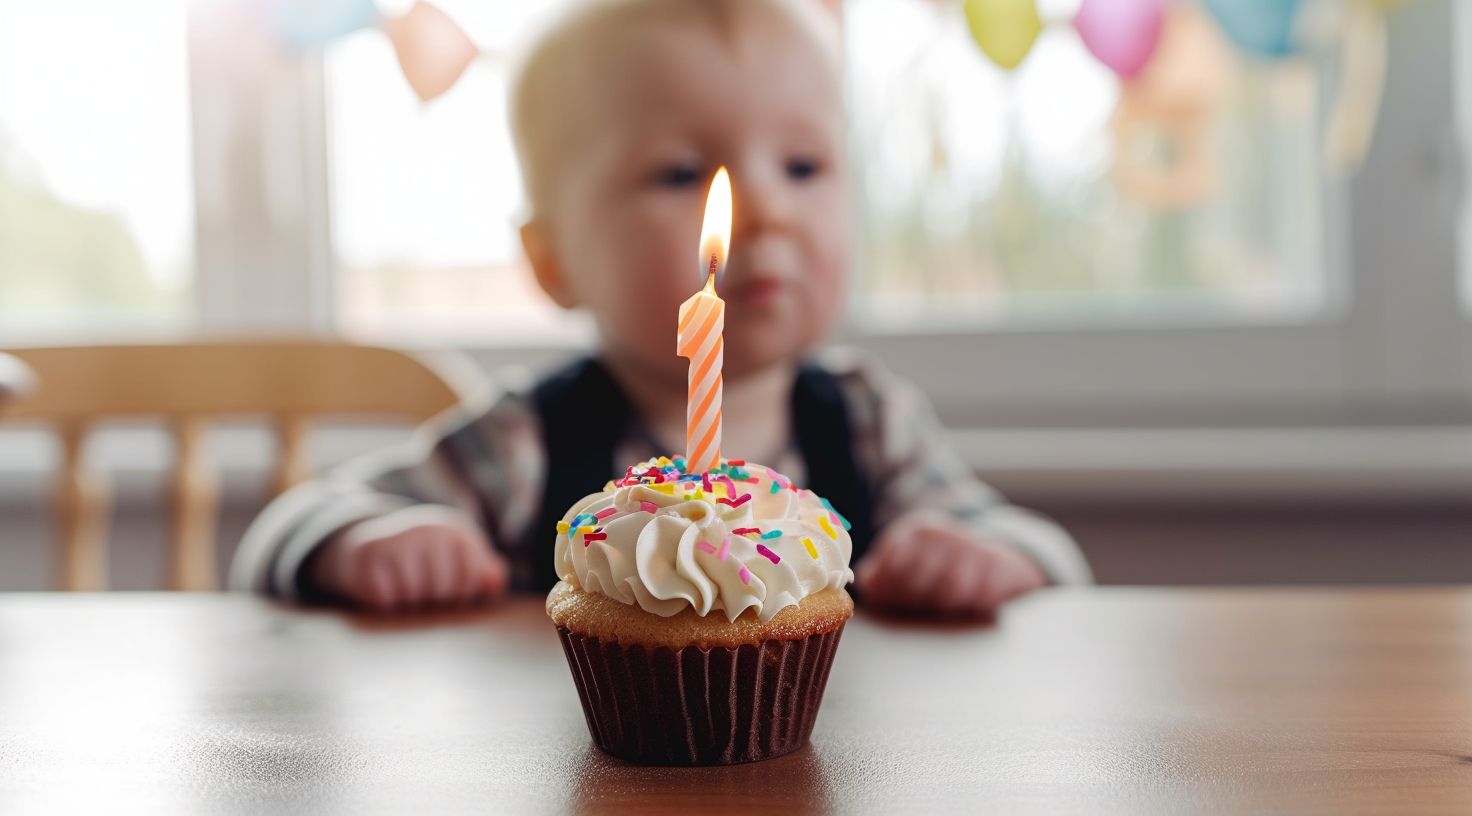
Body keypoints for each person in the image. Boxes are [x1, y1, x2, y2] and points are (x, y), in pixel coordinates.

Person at [230, 0, 1091, 618]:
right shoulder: (528, 441)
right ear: (554, 260)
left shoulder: (869, 424)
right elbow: (282, 531)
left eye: (803, 165)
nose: (768, 211)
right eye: (683, 173)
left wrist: (990, 556)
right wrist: (366, 543)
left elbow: (1052, 555)